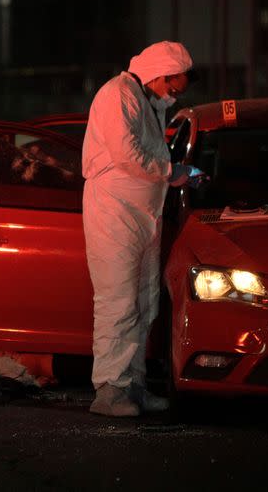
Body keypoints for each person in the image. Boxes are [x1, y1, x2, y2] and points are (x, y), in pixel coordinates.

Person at [81, 41, 203, 417]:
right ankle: (110, 391)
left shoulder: (142, 99)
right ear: (160, 75)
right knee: (117, 302)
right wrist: (174, 173)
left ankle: (132, 385)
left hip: (141, 215)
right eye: (173, 87)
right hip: (114, 212)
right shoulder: (117, 95)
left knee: (143, 302)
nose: (173, 95)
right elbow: (127, 154)